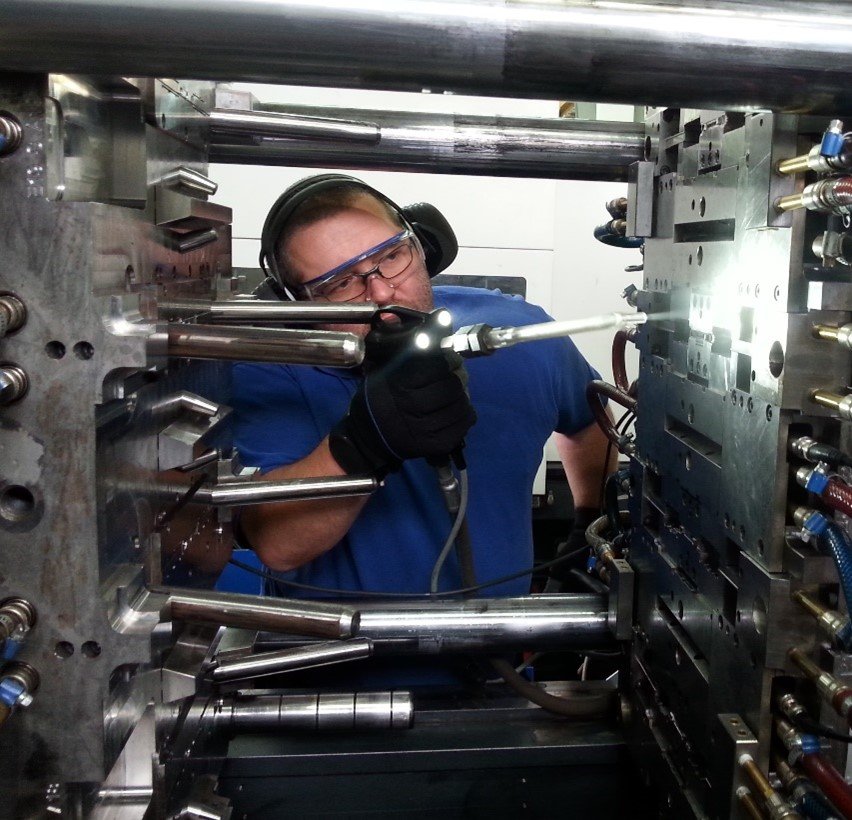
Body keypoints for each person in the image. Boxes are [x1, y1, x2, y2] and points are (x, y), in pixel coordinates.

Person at [232, 174, 612, 599]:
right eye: (340, 284)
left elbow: (589, 421)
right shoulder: (272, 369)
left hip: (495, 654)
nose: (380, 291)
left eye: (392, 256)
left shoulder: (518, 331)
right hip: (333, 655)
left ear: (425, 245)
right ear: (295, 303)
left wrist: (587, 528)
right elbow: (277, 543)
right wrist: (364, 443)